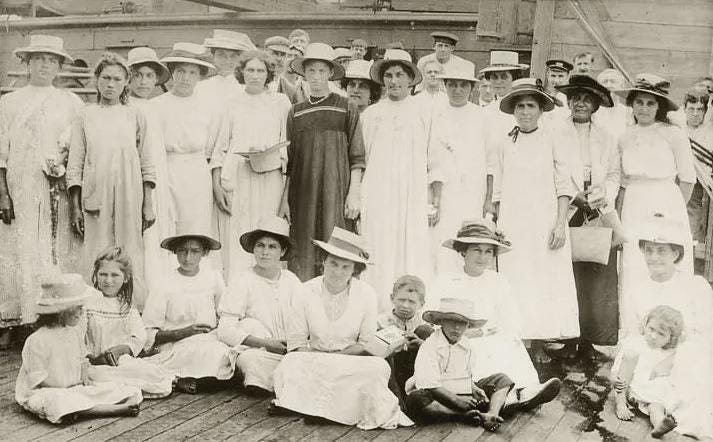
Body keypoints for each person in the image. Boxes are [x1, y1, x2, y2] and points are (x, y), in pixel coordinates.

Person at [272, 227, 412, 429]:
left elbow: (365, 342)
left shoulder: (367, 294)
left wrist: (340, 355)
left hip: (350, 360)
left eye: (345, 267)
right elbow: (296, 343)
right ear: (323, 262)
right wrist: (321, 355)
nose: (338, 272)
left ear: (354, 269)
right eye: (333, 264)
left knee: (378, 367)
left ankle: (314, 407)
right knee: (291, 362)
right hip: (314, 358)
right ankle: (332, 407)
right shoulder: (304, 291)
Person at [491, 78, 578, 363]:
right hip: (513, 221)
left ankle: (539, 339)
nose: (525, 112)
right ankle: (519, 340)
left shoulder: (553, 138)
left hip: (544, 220)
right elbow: (498, 188)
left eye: (530, 106)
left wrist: (560, 224)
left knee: (543, 280)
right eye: (520, 106)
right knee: (516, 278)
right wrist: (495, 223)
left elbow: (564, 186)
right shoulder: (505, 142)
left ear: (541, 110)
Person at [0, 35, 84, 329]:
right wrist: (3, 194)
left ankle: (52, 315)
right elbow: (1, 152)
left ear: (59, 66)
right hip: (20, 183)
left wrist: (63, 171)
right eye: (39, 60)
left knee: (54, 247)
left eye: (51, 61)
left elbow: (77, 146)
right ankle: (18, 318)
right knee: (19, 248)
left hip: (56, 186)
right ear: (27, 63)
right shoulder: (9, 102)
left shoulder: (71, 102)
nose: (45, 66)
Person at [431, 219, 561, 404]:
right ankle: (505, 397)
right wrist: (464, 333)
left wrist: (505, 332)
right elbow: (434, 316)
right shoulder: (448, 280)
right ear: (463, 251)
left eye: (488, 252)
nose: (482, 257)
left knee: (509, 343)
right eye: (476, 250)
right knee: (480, 348)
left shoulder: (498, 281)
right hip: (459, 337)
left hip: (491, 334)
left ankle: (526, 390)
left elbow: (510, 315)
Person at [67, 52, 156, 309]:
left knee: (129, 250)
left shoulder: (135, 115)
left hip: (130, 193)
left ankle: (130, 310)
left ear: (126, 82)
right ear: (96, 80)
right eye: (105, 78)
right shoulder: (85, 115)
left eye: (117, 79)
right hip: (95, 193)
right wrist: (75, 206)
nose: (111, 84)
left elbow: (147, 163)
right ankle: (94, 309)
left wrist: (148, 203)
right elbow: (75, 163)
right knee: (97, 249)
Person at [547, 75, 620, 360]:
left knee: (596, 275)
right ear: (568, 101)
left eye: (586, 99)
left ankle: (590, 339)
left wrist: (605, 194)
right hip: (569, 206)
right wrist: (575, 195)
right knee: (568, 274)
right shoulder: (555, 132)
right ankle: (568, 336)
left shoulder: (607, 136)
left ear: (595, 105)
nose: (580, 103)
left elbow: (614, 173)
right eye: (576, 97)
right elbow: (553, 168)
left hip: (598, 208)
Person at [615, 74, 696, 333]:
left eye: (650, 103)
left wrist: (674, 215)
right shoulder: (625, 136)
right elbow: (622, 181)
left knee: (666, 262)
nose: (644, 109)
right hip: (634, 204)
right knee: (635, 263)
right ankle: (634, 332)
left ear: (659, 107)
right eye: (639, 102)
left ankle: (670, 332)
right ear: (631, 105)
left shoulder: (673, 135)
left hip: (666, 200)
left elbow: (688, 178)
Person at [278, 43, 365, 281]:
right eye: (311, 71)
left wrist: (353, 193)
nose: (316, 77)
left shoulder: (346, 106)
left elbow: (357, 156)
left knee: (335, 243)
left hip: (335, 191)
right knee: (303, 246)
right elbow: (291, 161)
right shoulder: (295, 112)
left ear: (330, 73)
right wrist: (284, 200)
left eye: (321, 71)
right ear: (303, 74)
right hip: (302, 193)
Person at [16, 274, 142, 424]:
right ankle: (108, 409)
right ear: (61, 311)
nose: (81, 313)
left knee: (120, 388)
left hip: (73, 386)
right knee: (57, 401)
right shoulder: (37, 340)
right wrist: (66, 386)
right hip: (47, 389)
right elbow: (38, 379)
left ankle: (83, 409)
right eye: (78, 308)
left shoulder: (73, 332)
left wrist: (84, 377)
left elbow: (82, 358)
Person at [211, 50, 291, 278]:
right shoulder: (231, 103)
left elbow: (287, 144)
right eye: (250, 70)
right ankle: (237, 286)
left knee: (268, 229)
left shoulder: (280, 102)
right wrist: (217, 186)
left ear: (268, 74)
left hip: (270, 176)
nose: (255, 75)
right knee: (239, 230)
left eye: (260, 70)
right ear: (242, 72)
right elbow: (221, 146)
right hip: (238, 175)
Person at [360, 49, 431, 304]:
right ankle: (378, 306)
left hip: (412, 192)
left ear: (410, 78)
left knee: (410, 245)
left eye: (400, 74)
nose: (394, 81)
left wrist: (431, 196)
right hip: (379, 191)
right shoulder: (372, 114)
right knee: (380, 242)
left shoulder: (424, 111)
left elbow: (432, 156)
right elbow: (363, 157)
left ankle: (410, 308)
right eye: (389, 75)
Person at [141, 230, 236, 394]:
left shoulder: (213, 277)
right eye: (183, 251)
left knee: (223, 352)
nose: (188, 257)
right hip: (177, 344)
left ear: (204, 253)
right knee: (209, 354)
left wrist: (218, 329)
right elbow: (149, 333)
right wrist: (184, 332)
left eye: (195, 251)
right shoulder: (163, 283)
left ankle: (201, 377)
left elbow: (226, 313)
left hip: (210, 339)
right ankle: (182, 377)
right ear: (175, 251)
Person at [217, 217, 302, 394]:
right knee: (250, 360)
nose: (265, 252)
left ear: (282, 251)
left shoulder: (291, 280)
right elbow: (225, 330)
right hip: (259, 350)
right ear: (254, 249)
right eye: (260, 245)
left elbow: (304, 319)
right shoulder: (242, 280)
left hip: (289, 348)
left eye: (272, 247)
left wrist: (293, 345)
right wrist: (267, 344)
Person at [405, 298, 514, 431]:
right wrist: (457, 400)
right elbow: (430, 385)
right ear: (441, 322)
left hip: (462, 392)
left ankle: (491, 414)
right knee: (416, 399)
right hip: (438, 396)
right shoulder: (430, 346)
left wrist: (474, 388)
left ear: (468, 325)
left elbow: (466, 375)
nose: (456, 327)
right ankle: (461, 416)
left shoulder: (467, 345)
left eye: (462, 323)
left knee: (502, 379)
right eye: (451, 321)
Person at [82, 246, 173, 398]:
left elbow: (139, 336)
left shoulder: (126, 306)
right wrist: (89, 357)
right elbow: (77, 336)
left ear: (125, 278)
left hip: (119, 361)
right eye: (103, 274)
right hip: (93, 363)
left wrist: (122, 349)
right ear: (96, 275)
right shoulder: (88, 304)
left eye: (114, 275)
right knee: (101, 377)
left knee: (150, 374)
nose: (108, 280)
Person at [154, 43, 221, 237]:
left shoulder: (209, 106)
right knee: (165, 225)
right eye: (181, 71)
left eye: (192, 72)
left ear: (200, 76)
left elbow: (212, 148)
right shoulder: (156, 106)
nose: (186, 78)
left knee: (194, 226)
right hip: (165, 170)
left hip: (196, 172)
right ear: (172, 73)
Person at [428, 66, 489, 274]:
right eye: (452, 85)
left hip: (473, 191)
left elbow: (490, 160)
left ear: (472, 88)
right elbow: (433, 158)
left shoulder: (482, 116)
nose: (457, 90)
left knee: (470, 239)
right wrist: (435, 198)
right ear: (445, 87)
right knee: (442, 242)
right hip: (445, 191)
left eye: (463, 85)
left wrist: (487, 198)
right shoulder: (437, 116)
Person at [126, 47, 175, 297]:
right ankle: (135, 293)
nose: (144, 81)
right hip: (133, 178)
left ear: (156, 79)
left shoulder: (158, 108)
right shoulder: (125, 107)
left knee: (157, 232)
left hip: (159, 177)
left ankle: (157, 292)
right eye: (138, 75)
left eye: (149, 76)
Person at [612, 305, 684, 439]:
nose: (653, 336)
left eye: (661, 334)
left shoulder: (669, 352)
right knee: (630, 356)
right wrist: (614, 377)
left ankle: (659, 426)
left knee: (656, 408)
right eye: (651, 329)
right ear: (645, 325)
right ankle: (620, 405)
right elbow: (619, 365)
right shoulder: (636, 343)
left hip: (653, 393)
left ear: (671, 338)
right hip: (631, 388)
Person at [378, 275, 434, 406]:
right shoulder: (381, 321)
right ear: (392, 298)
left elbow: (436, 351)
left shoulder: (424, 322)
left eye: (411, 302)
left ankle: (426, 395)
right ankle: (398, 402)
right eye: (401, 300)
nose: (405, 306)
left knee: (425, 331)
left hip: (415, 368)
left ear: (421, 304)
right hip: (392, 369)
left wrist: (421, 344)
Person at [195, 29, 255, 104]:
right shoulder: (201, 87)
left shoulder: (248, 87)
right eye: (221, 55)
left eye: (233, 56)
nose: (227, 61)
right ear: (213, 56)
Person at [594, 68, 630, 141]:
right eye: (604, 82)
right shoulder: (593, 112)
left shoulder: (629, 112)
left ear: (622, 86)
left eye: (613, 81)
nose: (608, 85)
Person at [264, 36, 299, 103]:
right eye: (275, 53)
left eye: (283, 55)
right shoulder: (253, 82)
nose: (279, 59)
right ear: (265, 53)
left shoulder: (291, 91)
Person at [542, 59, 572, 125]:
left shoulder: (571, 99)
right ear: (547, 75)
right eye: (553, 76)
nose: (556, 80)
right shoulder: (540, 95)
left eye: (561, 76)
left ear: (568, 77)